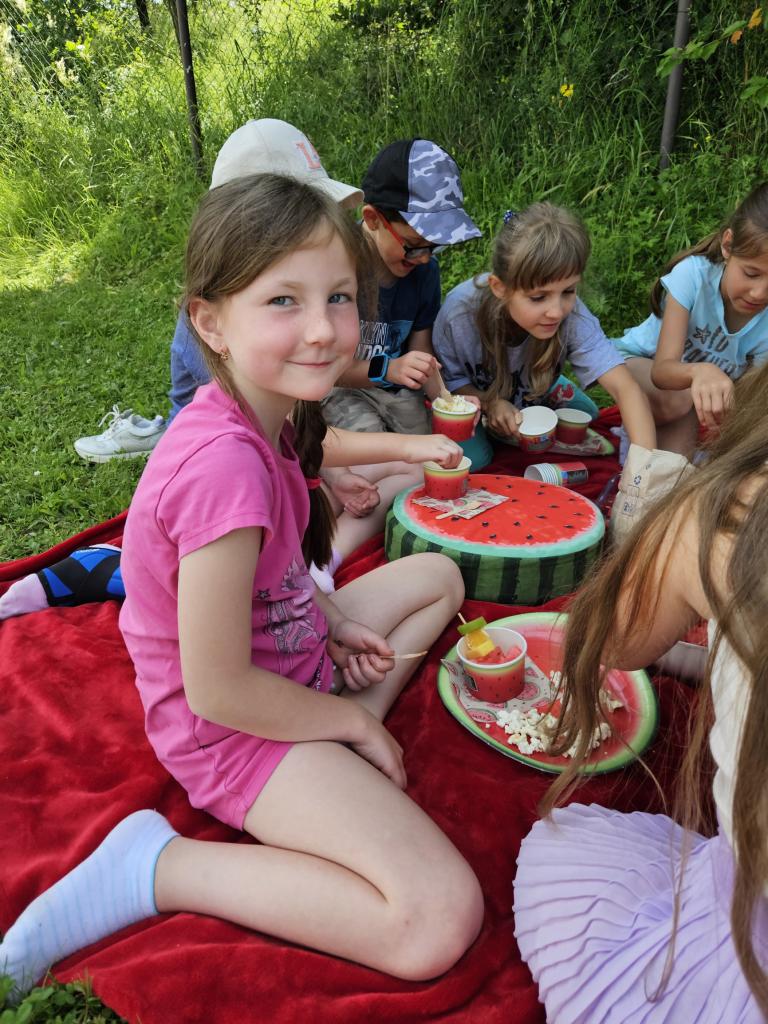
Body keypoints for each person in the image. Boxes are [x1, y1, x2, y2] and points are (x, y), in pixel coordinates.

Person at [0, 174, 484, 1002]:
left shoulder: (273, 413)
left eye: (337, 297)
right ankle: (161, 866)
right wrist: (346, 720)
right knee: (436, 917)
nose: (323, 328)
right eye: (283, 300)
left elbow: (283, 569)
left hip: (291, 660)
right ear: (210, 321)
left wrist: (331, 617)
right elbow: (218, 691)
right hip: (231, 729)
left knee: (440, 574)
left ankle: (342, 741)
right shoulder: (222, 467)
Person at [513, 360, 768, 1021]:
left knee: (559, 850)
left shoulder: (725, 515)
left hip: (745, 932)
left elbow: (619, 643)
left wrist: (659, 516)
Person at [431, 204, 657, 452]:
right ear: (500, 288)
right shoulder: (460, 314)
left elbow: (626, 389)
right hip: (475, 397)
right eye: (538, 297)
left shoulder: (574, 315)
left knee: (586, 415)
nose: (557, 312)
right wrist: (490, 404)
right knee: (474, 458)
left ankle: (538, 388)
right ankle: (529, 394)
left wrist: (644, 465)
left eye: (568, 291)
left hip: (527, 386)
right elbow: (450, 383)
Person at [321, 137, 482, 437]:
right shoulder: (336, 268)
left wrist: (446, 400)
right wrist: (389, 369)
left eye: (434, 246)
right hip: (341, 386)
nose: (423, 258)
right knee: (373, 445)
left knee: (428, 446)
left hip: (395, 390)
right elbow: (327, 368)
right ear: (372, 219)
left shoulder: (425, 272)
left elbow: (420, 353)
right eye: (413, 245)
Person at [613, 181, 768, 456]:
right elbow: (662, 372)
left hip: (690, 402)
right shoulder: (692, 277)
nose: (759, 293)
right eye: (751, 274)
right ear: (728, 245)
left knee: (675, 475)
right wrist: (701, 372)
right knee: (681, 401)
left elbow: (746, 402)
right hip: (637, 366)